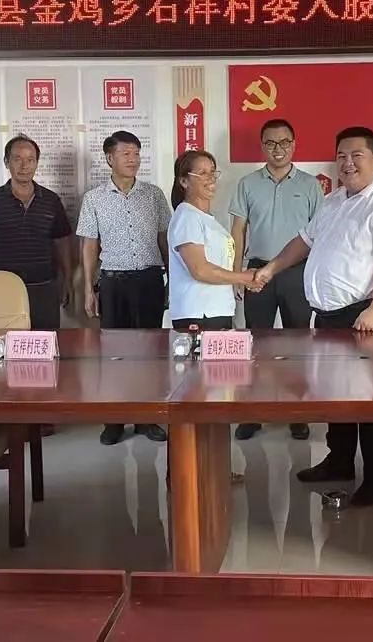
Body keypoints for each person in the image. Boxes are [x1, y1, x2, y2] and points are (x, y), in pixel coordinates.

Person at [252, 126, 373, 507]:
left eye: (357, 155)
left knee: (371, 402)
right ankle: (339, 460)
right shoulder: (333, 201)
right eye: (341, 155)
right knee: (337, 395)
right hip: (328, 318)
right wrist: (272, 268)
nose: (348, 163)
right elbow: (304, 241)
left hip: (366, 317)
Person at [229, 118, 323, 441]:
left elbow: (320, 234)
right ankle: (254, 413)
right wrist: (236, 274)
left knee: (298, 344)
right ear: (262, 146)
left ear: (294, 145)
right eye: (270, 143)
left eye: (284, 142)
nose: (277, 149)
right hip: (257, 272)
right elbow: (238, 230)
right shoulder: (247, 184)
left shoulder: (310, 185)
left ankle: (298, 413)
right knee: (257, 344)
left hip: (298, 272)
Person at [77, 130, 171, 445]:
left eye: (136, 153)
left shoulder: (153, 195)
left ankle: (147, 418)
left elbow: (164, 240)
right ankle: (114, 420)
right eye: (126, 153)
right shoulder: (94, 198)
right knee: (114, 354)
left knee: (149, 354)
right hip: (113, 282)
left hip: (149, 281)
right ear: (110, 158)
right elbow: (89, 246)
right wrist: (88, 288)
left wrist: (172, 281)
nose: (133, 159)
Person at [0, 135, 73, 330]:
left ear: (37, 163)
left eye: (30, 160)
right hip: (3, 288)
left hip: (44, 287)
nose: (24, 166)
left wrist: (68, 280)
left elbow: (62, 242)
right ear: (7, 162)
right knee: (5, 342)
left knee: (45, 341)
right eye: (17, 159)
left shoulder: (51, 201)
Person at [169, 150, 256, 332]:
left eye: (212, 171)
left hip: (216, 311)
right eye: (202, 173)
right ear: (184, 181)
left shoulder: (206, 218)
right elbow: (200, 270)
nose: (211, 178)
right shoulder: (187, 216)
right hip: (199, 313)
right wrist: (243, 277)